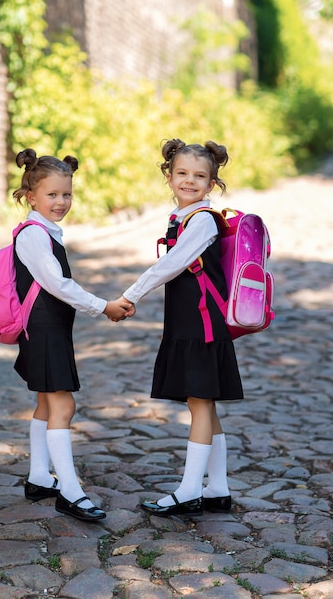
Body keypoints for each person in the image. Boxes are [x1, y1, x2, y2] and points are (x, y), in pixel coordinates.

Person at [119, 138, 243, 517]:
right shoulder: (183, 217)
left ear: (212, 184)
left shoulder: (202, 220)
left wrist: (131, 295)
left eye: (200, 176)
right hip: (190, 320)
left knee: (201, 401)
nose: (190, 180)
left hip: (202, 324)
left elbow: (170, 266)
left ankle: (190, 490)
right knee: (201, 401)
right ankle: (217, 488)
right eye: (182, 173)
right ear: (169, 176)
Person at [12, 148, 134, 522]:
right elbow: (58, 285)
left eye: (66, 194)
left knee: (47, 405)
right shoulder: (34, 236)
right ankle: (69, 490)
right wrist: (104, 305)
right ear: (31, 196)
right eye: (52, 195)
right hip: (45, 331)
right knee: (63, 406)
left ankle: (38, 478)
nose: (61, 202)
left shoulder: (45, 232)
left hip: (48, 330)